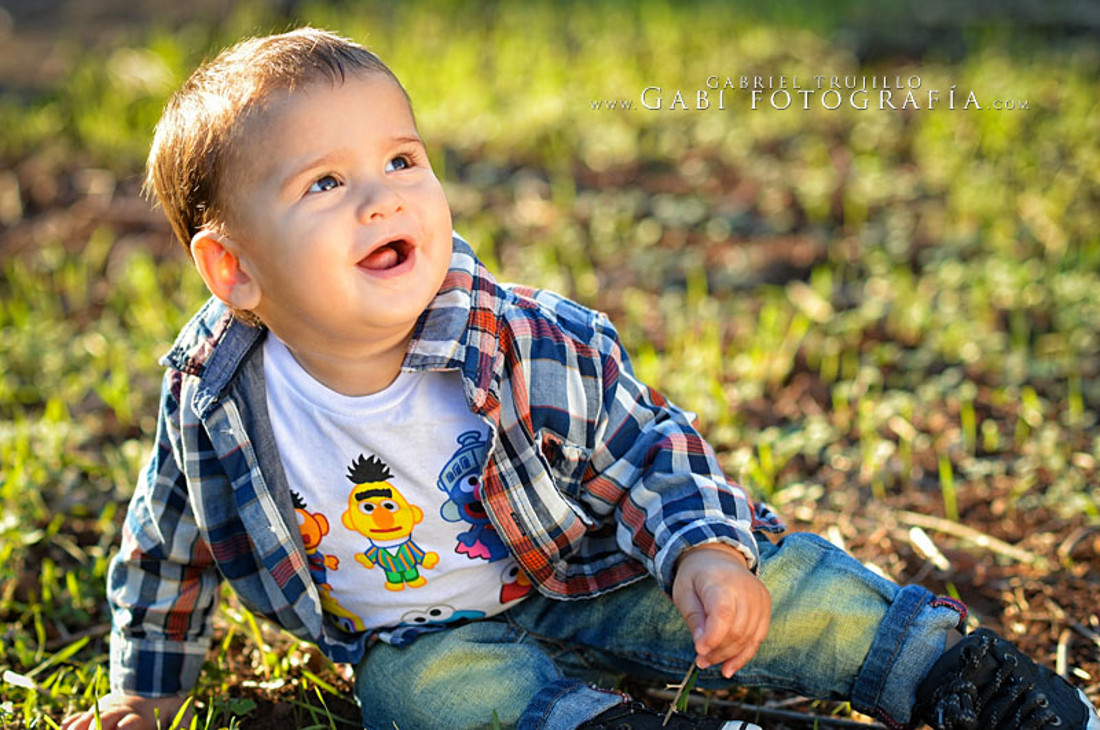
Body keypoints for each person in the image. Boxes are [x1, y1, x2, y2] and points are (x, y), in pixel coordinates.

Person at [62, 27, 1099, 730]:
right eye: (326, 182)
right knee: (426, 702)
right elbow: (167, 542)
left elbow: (647, 444)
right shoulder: (216, 399)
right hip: (424, 635)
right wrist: (144, 695)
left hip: (594, 565)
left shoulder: (514, 338)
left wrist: (700, 550)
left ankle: (949, 673)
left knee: (781, 589)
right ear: (233, 269)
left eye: (401, 160)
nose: (382, 198)